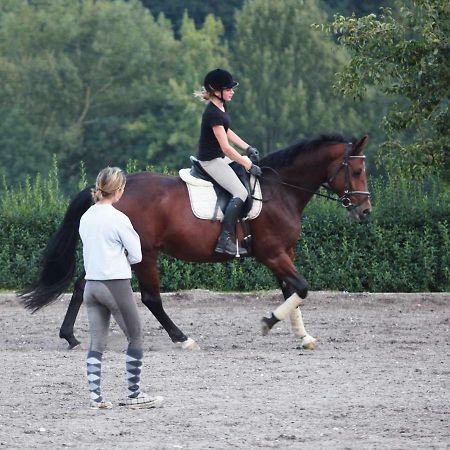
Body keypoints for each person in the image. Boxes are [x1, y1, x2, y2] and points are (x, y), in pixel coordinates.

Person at [79, 166, 163, 410]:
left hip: (91, 287)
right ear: (119, 191)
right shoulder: (119, 219)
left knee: (97, 342)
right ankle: (134, 393)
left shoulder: (86, 217)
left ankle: (96, 397)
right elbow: (137, 256)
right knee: (135, 336)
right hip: (115, 285)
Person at [195, 68, 262, 256]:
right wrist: (247, 164)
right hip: (211, 161)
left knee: (245, 179)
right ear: (217, 91)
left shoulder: (222, 107)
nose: (232, 91)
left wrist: (247, 148)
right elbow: (226, 148)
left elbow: (227, 131)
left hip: (220, 158)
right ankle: (225, 239)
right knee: (240, 192)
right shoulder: (213, 113)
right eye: (229, 89)